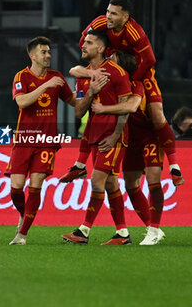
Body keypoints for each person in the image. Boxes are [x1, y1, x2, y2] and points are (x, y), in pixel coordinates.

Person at [59, 0, 184, 186]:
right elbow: (84, 43)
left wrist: (131, 80)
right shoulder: (100, 23)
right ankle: (79, 165)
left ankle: (174, 167)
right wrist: (89, 71)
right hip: (114, 71)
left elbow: (149, 60)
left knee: (157, 115)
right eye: (108, 11)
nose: (108, 16)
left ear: (125, 17)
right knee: (93, 114)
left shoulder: (134, 32)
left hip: (139, 74)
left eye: (114, 14)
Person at [62, 30, 136, 245]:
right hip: (95, 135)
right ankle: (122, 234)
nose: (83, 46)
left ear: (101, 49)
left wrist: (115, 135)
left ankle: (83, 231)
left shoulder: (118, 73)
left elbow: (125, 107)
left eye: (89, 42)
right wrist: (92, 91)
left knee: (97, 180)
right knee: (111, 183)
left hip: (113, 137)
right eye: (84, 42)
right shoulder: (84, 76)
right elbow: (78, 112)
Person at [5, 36, 76, 245]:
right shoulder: (21, 77)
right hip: (24, 139)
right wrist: (45, 86)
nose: (48, 56)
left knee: (36, 185)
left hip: (46, 141)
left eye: (49, 52)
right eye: (43, 52)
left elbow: (74, 103)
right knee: (16, 187)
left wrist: (92, 94)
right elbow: (22, 101)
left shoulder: (57, 77)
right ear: (32, 55)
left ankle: (22, 235)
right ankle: (23, 213)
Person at [92, 50, 166, 245]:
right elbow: (76, 72)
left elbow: (132, 107)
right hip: (127, 139)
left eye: (113, 58)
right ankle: (134, 231)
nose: (108, 60)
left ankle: (152, 228)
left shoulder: (137, 84)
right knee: (127, 184)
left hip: (145, 137)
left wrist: (105, 111)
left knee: (149, 180)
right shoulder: (109, 82)